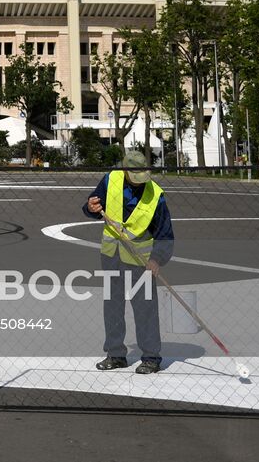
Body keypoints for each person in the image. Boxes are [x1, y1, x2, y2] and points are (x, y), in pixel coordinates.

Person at [82, 148, 174, 374]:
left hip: (139, 259)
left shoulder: (156, 195)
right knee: (112, 306)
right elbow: (93, 207)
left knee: (145, 308)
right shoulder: (110, 179)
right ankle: (115, 355)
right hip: (111, 254)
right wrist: (91, 208)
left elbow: (165, 233)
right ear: (123, 171)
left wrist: (157, 259)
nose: (137, 183)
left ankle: (151, 357)